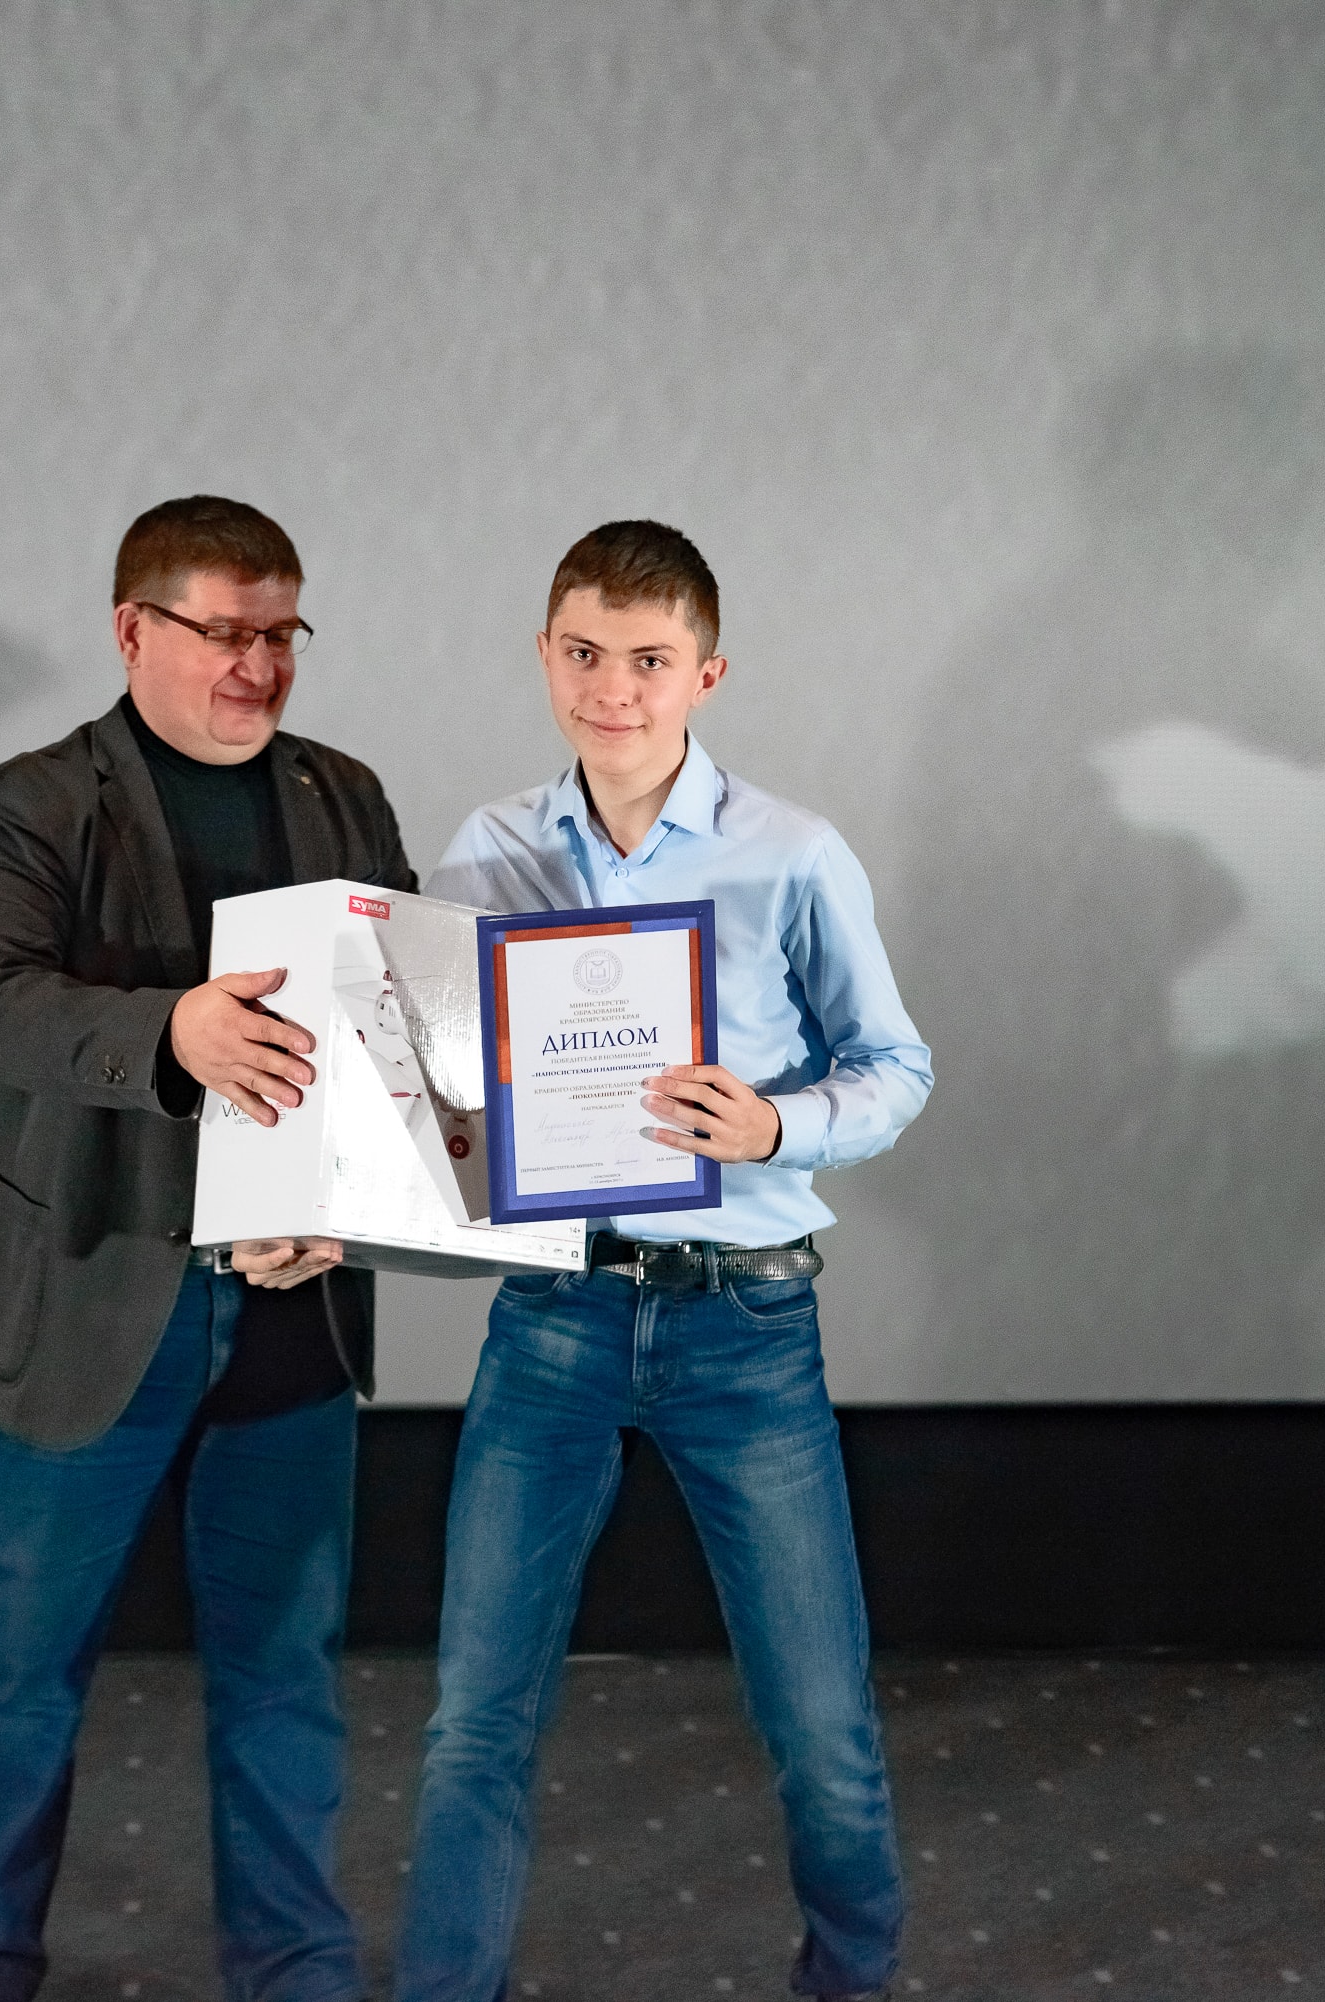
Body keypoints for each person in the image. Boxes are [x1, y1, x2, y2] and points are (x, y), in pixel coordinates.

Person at [397, 522, 934, 2002]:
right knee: (473, 1724)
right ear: (543, 656)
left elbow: (896, 1065)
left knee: (820, 1727)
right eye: (583, 654)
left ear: (707, 673)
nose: (612, 689)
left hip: (743, 1326)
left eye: (648, 660)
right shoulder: (489, 849)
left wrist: (776, 1122)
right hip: (555, 1317)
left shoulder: (794, 853)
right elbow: (437, 1097)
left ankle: (853, 1981)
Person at [0, 496, 413, 2002]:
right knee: (20, 1683)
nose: (259, 665)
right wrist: (169, 1033)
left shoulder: (345, 794)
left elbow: (400, 1029)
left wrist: (356, 1201)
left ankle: (295, 1970)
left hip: (292, 1314)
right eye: (225, 633)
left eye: (282, 634)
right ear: (134, 630)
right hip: (85, 1302)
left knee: (285, 1681)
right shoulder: (31, 802)